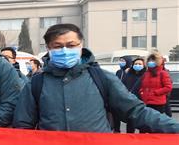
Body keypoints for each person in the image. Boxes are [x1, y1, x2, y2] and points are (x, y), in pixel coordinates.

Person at [12, 24, 179, 133]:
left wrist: (174, 127)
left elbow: (135, 111)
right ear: (48, 48)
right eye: (58, 46)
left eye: (71, 45)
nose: (65, 50)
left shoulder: (101, 78)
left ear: (81, 45)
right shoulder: (37, 83)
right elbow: (22, 126)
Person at [137, 52, 173, 128]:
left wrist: (156, 92)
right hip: (146, 101)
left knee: (155, 122)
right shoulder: (146, 74)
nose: (151, 62)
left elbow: (168, 87)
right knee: (146, 122)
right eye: (149, 60)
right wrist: (141, 92)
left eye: (153, 60)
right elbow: (142, 86)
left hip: (158, 103)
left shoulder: (163, 73)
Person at [119, 57, 146, 133]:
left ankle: (142, 136)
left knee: (142, 119)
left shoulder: (145, 75)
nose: (137, 65)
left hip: (142, 101)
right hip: (130, 101)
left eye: (140, 64)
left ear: (144, 65)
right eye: (136, 64)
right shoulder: (128, 75)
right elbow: (123, 86)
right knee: (131, 120)